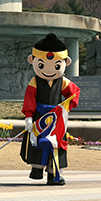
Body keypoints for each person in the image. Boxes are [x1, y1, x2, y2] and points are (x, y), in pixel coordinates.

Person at [20, 33, 80, 186]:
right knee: (37, 142)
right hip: (39, 117)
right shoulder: (34, 81)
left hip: (56, 120)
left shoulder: (64, 82)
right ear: (32, 61)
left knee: (56, 143)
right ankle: (37, 168)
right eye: (41, 65)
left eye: (56, 66)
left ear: (66, 62)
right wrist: (28, 117)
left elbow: (74, 94)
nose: (48, 69)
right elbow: (29, 99)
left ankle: (54, 174)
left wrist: (66, 107)